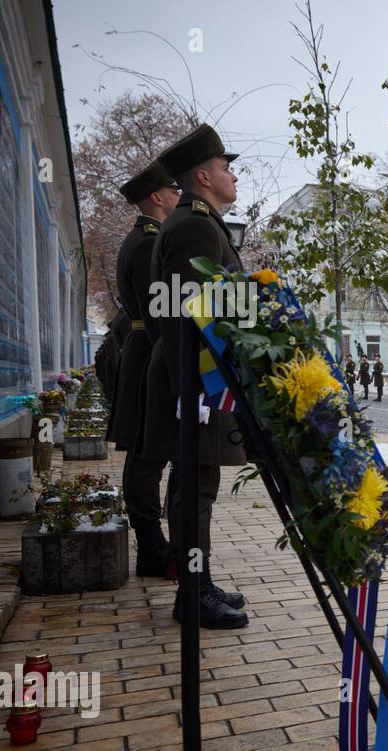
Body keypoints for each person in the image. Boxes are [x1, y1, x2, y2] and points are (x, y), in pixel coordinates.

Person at [146, 124, 250, 628]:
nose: (234, 177)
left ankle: (198, 582)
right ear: (204, 176)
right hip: (198, 376)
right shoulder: (194, 225)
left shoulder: (198, 221)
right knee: (196, 484)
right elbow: (195, 313)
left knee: (195, 482)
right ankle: (193, 593)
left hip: (198, 375)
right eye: (227, 169)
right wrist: (198, 388)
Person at [106, 159, 180, 578]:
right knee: (148, 453)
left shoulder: (138, 238)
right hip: (150, 349)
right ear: (156, 196)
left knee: (143, 452)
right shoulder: (151, 242)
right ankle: (152, 547)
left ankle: (152, 544)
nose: (177, 195)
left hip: (140, 347)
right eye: (172, 189)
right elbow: (160, 311)